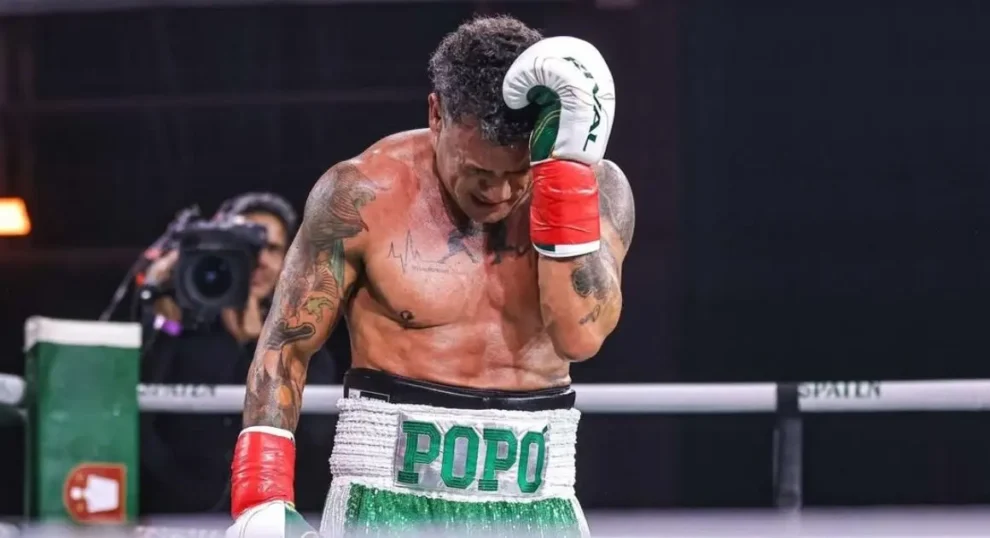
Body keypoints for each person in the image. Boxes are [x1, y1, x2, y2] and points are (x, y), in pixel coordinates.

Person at [228, 15, 634, 537]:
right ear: (437, 114)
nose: (499, 193)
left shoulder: (595, 190)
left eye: (517, 175)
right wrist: (261, 494)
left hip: (538, 504)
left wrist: (562, 185)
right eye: (478, 172)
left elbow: (580, 336)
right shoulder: (361, 195)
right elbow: (284, 347)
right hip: (387, 503)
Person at [137, 193, 338, 514]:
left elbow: (317, 441)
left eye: (271, 249)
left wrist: (264, 346)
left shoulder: (303, 340)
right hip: (173, 517)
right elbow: (133, 420)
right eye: (245, 246)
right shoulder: (176, 326)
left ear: (289, 262)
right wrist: (161, 308)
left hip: (265, 518)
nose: (258, 260)